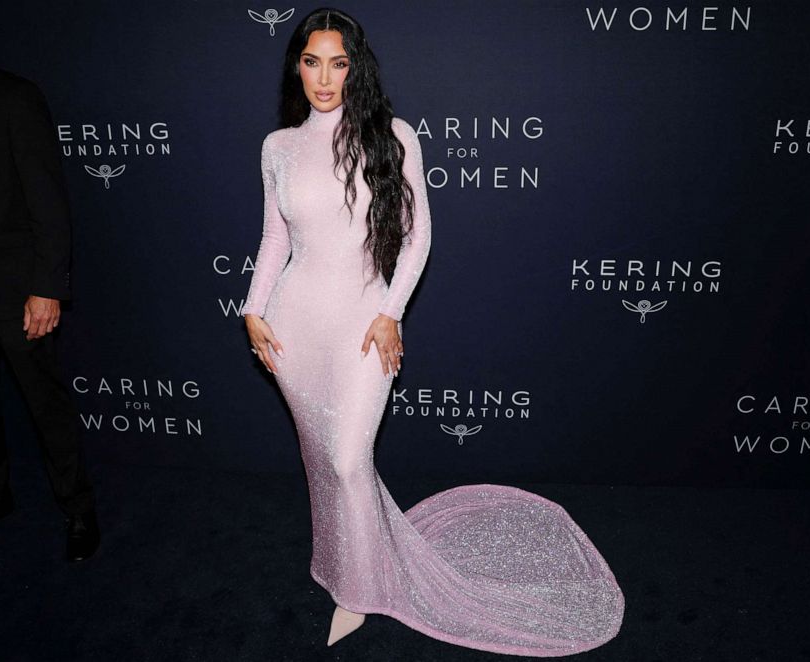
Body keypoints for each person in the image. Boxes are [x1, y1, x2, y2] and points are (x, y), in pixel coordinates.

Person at [243, 7, 624, 655]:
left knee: (348, 458)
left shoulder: (392, 135)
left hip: (364, 324)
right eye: (311, 62)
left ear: (355, 65)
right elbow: (274, 238)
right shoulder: (278, 147)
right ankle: (344, 571)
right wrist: (252, 310)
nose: (324, 78)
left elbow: (418, 235)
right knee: (320, 461)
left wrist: (390, 312)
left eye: (338, 63)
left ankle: (364, 589)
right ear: (296, 67)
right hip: (291, 325)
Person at [0, 1, 99, 562]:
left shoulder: (11, 95)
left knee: (46, 404)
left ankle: (78, 505)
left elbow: (48, 199)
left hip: (15, 289)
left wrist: (47, 286)